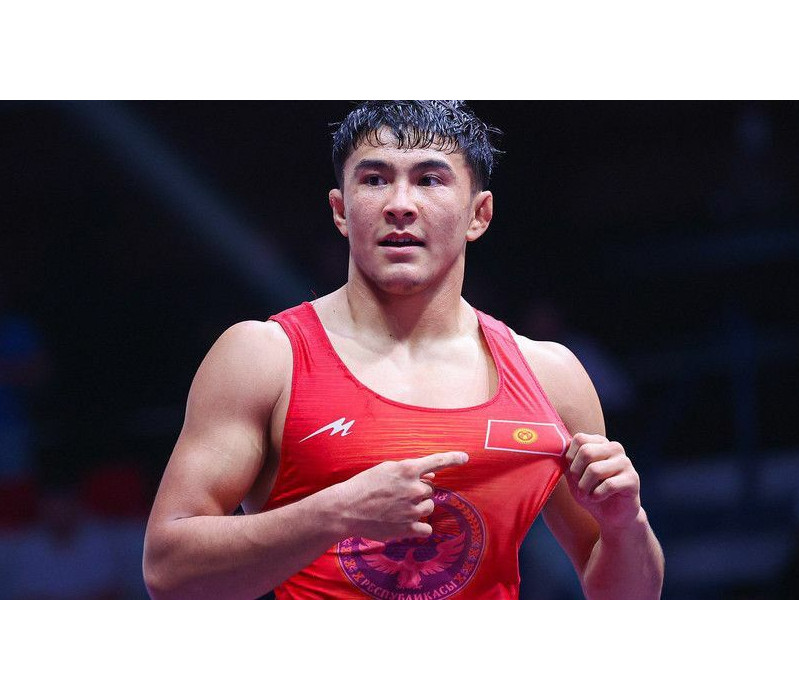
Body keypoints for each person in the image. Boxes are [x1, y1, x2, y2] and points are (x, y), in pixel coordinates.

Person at [143, 101, 664, 600]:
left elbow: (629, 603)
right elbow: (168, 574)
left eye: (429, 180)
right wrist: (335, 512)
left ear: (478, 215)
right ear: (340, 210)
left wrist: (626, 522)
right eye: (374, 179)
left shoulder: (551, 376)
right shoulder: (264, 357)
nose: (399, 204)